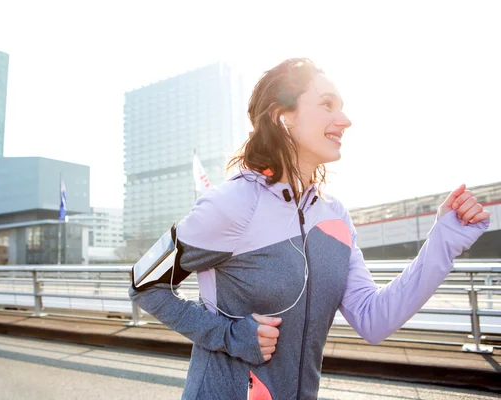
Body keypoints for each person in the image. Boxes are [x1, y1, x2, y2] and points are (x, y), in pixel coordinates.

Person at [129, 58, 490, 400]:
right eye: (328, 104)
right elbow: (144, 283)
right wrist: (229, 335)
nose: (345, 120)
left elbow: (374, 319)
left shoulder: (335, 218)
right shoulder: (233, 204)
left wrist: (445, 238)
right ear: (282, 116)